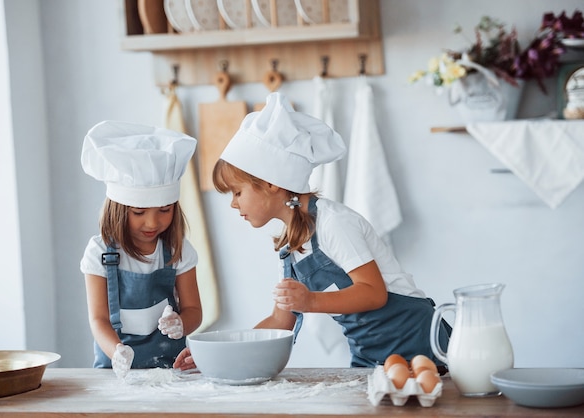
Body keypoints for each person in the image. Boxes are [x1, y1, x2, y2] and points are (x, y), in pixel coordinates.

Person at [175, 93, 450, 371]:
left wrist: (310, 300)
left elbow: (373, 293)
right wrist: (217, 354)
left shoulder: (334, 222)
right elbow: (280, 321)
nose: (234, 204)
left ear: (271, 183)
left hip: (419, 344)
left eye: (237, 192)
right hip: (370, 356)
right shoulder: (292, 245)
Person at [80, 120, 202, 378]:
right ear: (118, 209)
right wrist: (117, 352)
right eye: (138, 212)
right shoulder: (99, 253)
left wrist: (181, 324)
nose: (152, 222)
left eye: (165, 210)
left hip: (171, 372)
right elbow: (98, 319)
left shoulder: (179, 251)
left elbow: (194, 311)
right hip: (115, 374)